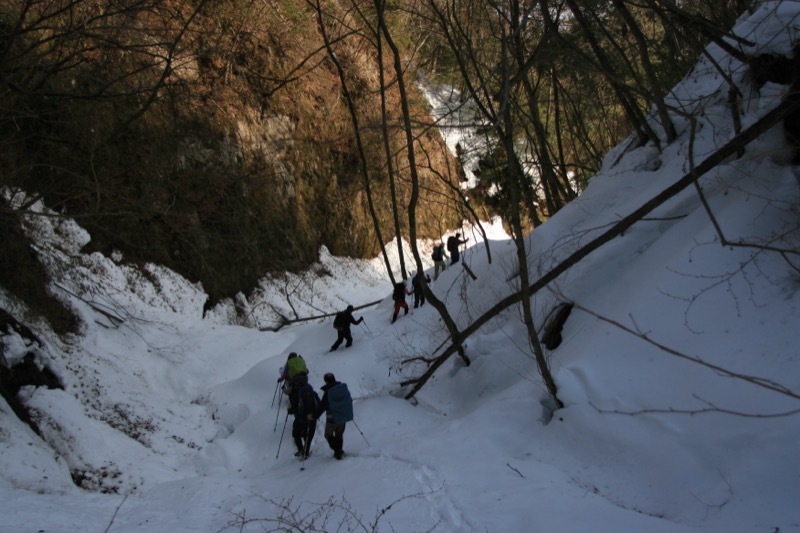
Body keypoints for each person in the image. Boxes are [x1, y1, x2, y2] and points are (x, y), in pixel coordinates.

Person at [315, 373, 353, 460]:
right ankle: (339, 452)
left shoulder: (328, 391)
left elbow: (322, 406)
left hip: (332, 418)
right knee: (339, 434)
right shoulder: (342, 388)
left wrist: (314, 416)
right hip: (343, 416)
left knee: (328, 435)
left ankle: (338, 451)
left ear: (326, 381)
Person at [288, 373, 319, 459]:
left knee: (296, 434)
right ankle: (306, 452)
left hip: (301, 419)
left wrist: (289, 411)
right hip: (312, 418)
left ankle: (301, 450)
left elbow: (294, 408)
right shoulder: (312, 392)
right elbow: (319, 404)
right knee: (308, 436)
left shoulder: (298, 393)